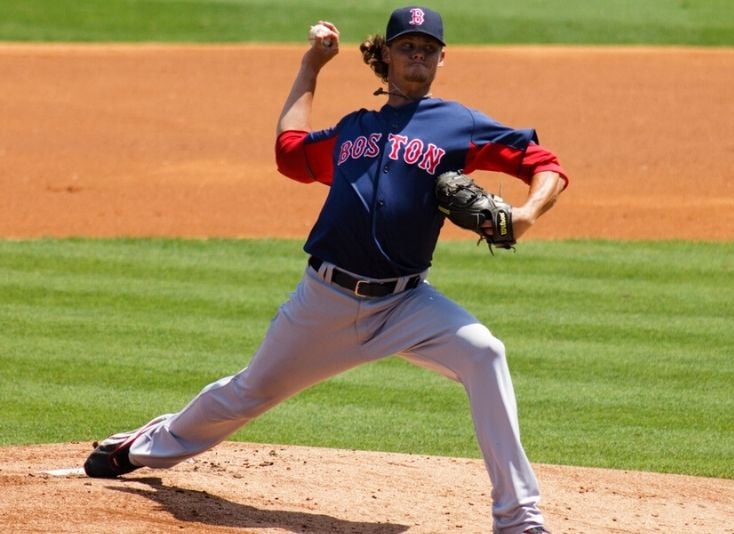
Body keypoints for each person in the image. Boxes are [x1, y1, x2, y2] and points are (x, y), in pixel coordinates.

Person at [84, 6, 568, 533]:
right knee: (248, 393)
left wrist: (524, 216)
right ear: (385, 55)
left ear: (442, 59)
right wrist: (311, 65)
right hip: (326, 300)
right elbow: (289, 153)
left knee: (485, 353)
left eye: (428, 49)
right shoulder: (354, 130)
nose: (418, 57)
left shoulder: (459, 124)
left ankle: (520, 519)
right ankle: (139, 449)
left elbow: (545, 165)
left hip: (406, 303)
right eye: (407, 46)